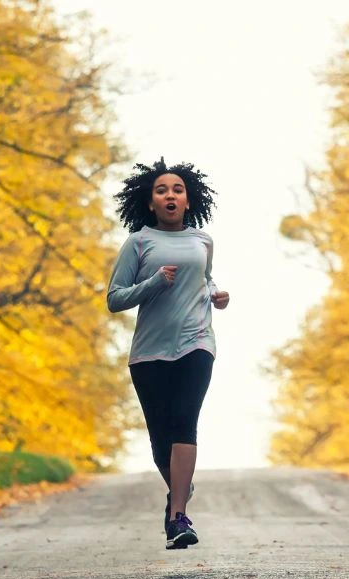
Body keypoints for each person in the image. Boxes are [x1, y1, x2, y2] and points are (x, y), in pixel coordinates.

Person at [106, 158, 230, 550]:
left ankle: (178, 516)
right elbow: (115, 299)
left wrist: (217, 294)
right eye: (162, 190)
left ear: (188, 200)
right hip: (150, 352)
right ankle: (179, 489)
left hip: (197, 343)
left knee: (183, 423)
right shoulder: (139, 242)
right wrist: (155, 282)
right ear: (151, 202)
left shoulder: (203, 241)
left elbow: (204, 278)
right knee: (161, 441)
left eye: (177, 189)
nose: (170, 195)